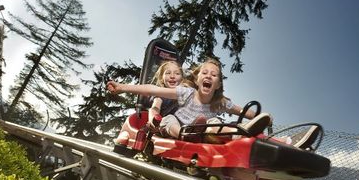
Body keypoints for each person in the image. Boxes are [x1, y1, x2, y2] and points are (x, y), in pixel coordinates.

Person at [107, 58, 272, 140]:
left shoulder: (219, 101)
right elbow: (154, 91)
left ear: (218, 84)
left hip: (202, 130)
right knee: (170, 118)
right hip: (179, 129)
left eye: (214, 75)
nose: (209, 76)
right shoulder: (186, 93)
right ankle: (185, 135)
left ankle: (240, 134)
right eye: (205, 73)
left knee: (213, 121)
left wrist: (259, 118)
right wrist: (122, 88)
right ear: (197, 78)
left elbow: (241, 111)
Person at [114, 60, 186, 145]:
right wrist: (153, 119)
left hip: (184, 125)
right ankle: (185, 135)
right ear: (162, 79)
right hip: (163, 126)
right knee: (170, 118)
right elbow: (154, 108)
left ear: (182, 78)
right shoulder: (160, 95)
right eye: (168, 73)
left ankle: (199, 131)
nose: (172, 76)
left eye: (177, 74)